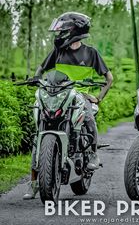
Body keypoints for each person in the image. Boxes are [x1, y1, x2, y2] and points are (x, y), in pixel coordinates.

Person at [23, 12, 113, 199]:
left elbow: (109, 78)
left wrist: (98, 97)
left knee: (88, 118)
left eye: (62, 32)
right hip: (56, 95)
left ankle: (93, 153)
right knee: (38, 134)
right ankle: (33, 184)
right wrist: (37, 78)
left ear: (74, 32)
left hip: (81, 96)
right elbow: (41, 68)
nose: (58, 35)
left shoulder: (91, 53)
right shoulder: (58, 52)